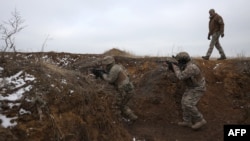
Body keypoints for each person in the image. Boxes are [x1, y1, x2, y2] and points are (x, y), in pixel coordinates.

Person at [171, 52, 207, 130]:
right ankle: (187, 121)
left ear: (183, 61)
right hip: (191, 86)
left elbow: (180, 76)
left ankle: (200, 120)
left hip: (198, 88)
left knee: (188, 103)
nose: (178, 62)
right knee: (184, 102)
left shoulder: (191, 67)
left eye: (179, 61)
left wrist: (175, 67)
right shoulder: (186, 64)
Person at [101, 56, 138, 121]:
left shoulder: (114, 69)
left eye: (106, 64)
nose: (105, 66)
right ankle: (132, 117)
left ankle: (119, 120)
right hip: (129, 88)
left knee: (117, 106)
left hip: (124, 90)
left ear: (109, 64)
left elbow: (110, 80)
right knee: (123, 105)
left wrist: (103, 75)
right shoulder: (118, 66)